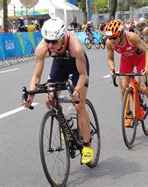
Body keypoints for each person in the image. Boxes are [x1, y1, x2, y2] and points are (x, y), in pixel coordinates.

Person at [22, 17, 94, 164]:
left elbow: (83, 75)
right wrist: (30, 96)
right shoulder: (42, 48)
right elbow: (36, 75)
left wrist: (76, 91)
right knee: (49, 99)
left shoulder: (75, 47)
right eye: (47, 40)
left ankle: (87, 145)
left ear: (62, 38)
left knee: (79, 105)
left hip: (77, 68)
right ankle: (66, 120)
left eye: (53, 41)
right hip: (60, 65)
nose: (50, 44)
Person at [105, 19, 148, 127]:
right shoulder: (109, 43)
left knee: (142, 87)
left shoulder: (131, 37)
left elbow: (147, 50)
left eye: (114, 37)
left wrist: (147, 68)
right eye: (110, 38)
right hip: (126, 60)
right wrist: (112, 70)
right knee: (123, 87)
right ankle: (128, 114)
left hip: (139, 59)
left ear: (121, 33)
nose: (112, 40)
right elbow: (110, 59)